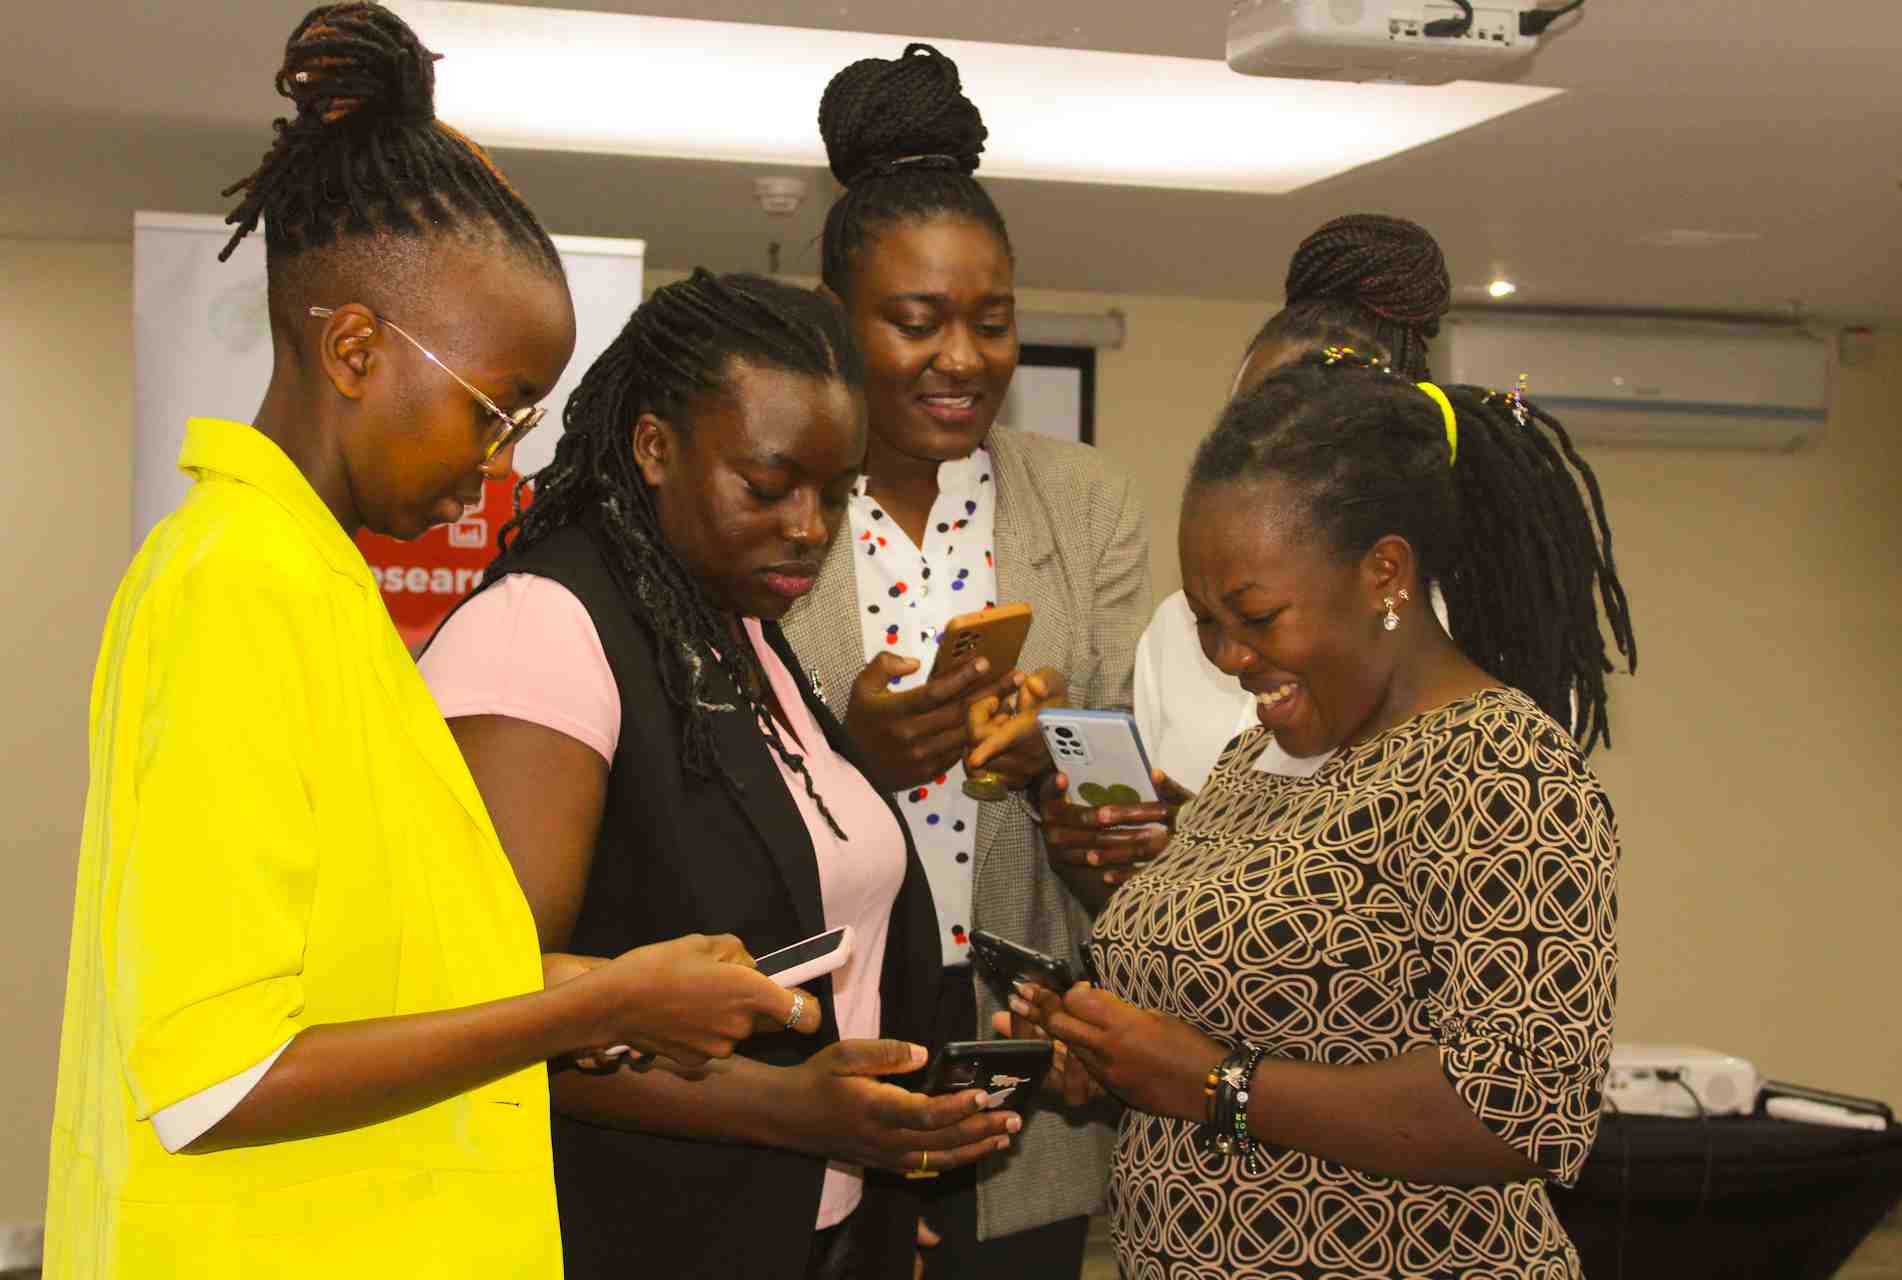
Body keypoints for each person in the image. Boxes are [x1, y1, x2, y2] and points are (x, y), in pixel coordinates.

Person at [43, 8, 811, 1278]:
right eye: (492, 412)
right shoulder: (236, 584)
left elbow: (364, 968)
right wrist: (598, 1003)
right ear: (354, 347)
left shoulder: (316, 582)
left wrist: (592, 984)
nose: (501, 463)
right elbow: (217, 1078)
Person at [417, 269, 1018, 1280]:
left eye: (836, 493)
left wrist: (879, 1172)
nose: (809, 528)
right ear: (654, 447)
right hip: (631, 1232)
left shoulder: (734, 625)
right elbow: (484, 1012)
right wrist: (786, 1104)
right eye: (769, 485)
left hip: (820, 1226)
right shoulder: (544, 630)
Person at [1007, 353, 1637, 1278]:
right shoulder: (1255, 759)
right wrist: (1112, 1063)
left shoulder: (1499, 765)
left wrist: (1212, 1083)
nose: (1228, 656)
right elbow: (1256, 1029)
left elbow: (1523, 1110)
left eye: (1256, 617)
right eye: (1207, 623)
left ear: (1385, 573)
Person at [779, 42, 1152, 1279]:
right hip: (816, 1036)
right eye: (918, 320)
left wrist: (1059, 771)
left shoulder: (1086, 502)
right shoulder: (778, 505)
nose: (964, 357)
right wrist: (855, 754)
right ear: (841, 323)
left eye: (992, 322)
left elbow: (1119, 772)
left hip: (1024, 1040)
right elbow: (708, 770)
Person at [1054, 214, 1458, 897]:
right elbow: (1141, 914)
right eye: (1245, 422)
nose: (1229, 654)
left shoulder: (1467, 659)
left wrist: (1212, 859)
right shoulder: (1178, 634)